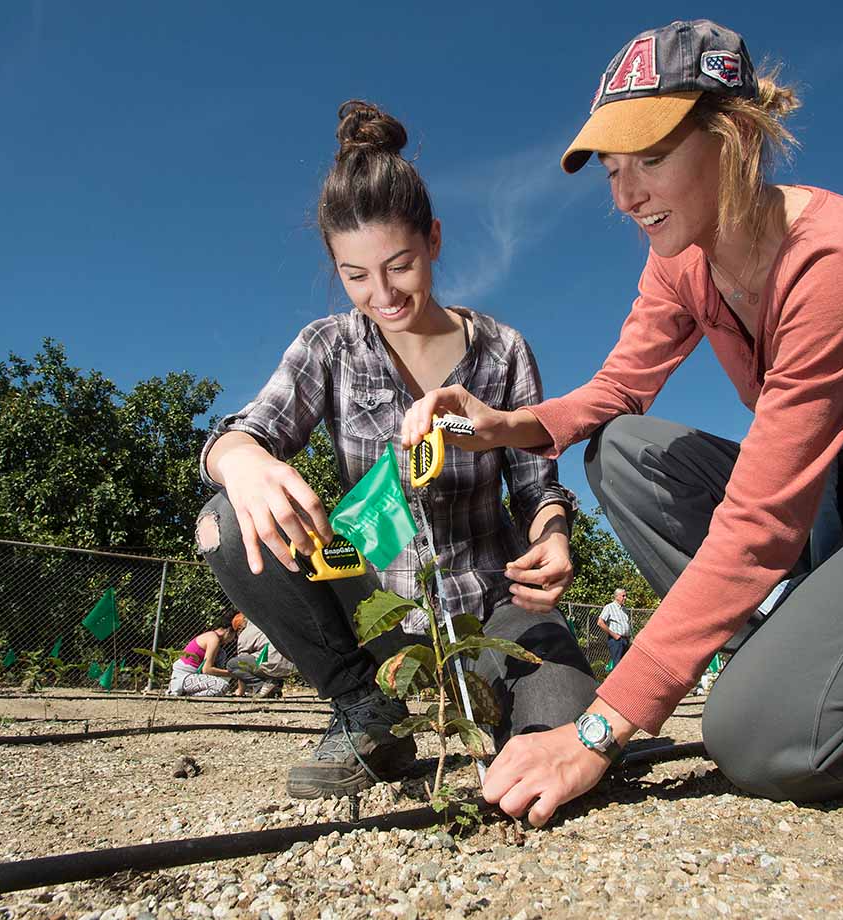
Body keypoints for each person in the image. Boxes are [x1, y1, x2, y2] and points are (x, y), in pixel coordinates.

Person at [403, 19, 843, 824]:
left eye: (654, 158)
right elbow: (616, 389)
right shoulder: (679, 258)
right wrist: (497, 424)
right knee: (625, 452)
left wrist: (600, 727)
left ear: (735, 136)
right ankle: (793, 648)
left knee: (757, 739)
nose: (627, 194)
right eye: (611, 169)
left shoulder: (836, 256)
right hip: (841, 484)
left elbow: (765, 518)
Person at [195, 101, 598, 799]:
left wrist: (554, 538)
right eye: (355, 275)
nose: (382, 294)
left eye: (400, 265)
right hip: (373, 602)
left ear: (434, 241)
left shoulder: (502, 351)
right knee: (222, 519)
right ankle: (366, 708)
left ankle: (498, 700)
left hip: (493, 610)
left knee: (557, 738)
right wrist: (244, 461)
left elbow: (538, 490)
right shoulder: (328, 346)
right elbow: (240, 433)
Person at [227, 612, 295, 699]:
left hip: (270, 664)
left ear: (239, 628)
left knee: (233, 664)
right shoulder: (264, 624)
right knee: (266, 656)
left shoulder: (245, 633)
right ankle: (275, 689)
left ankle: (260, 686)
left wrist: (240, 691)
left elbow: (242, 660)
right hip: (289, 666)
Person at [167, 614, 237, 697]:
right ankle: (185, 694)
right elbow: (207, 669)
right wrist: (233, 674)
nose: (233, 639)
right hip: (184, 676)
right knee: (222, 686)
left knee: (222, 656)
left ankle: (186, 692)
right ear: (229, 630)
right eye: (235, 635)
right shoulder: (214, 639)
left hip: (194, 676)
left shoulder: (215, 640)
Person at [596, 588, 631, 668]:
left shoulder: (624, 609)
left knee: (625, 665)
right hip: (616, 641)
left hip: (625, 640)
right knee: (617, 666)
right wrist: (614, 635)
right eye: (623, 596)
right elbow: (600, 622)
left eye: (626, 596)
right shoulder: (609, 607)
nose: (625, 598)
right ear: (617, 596)